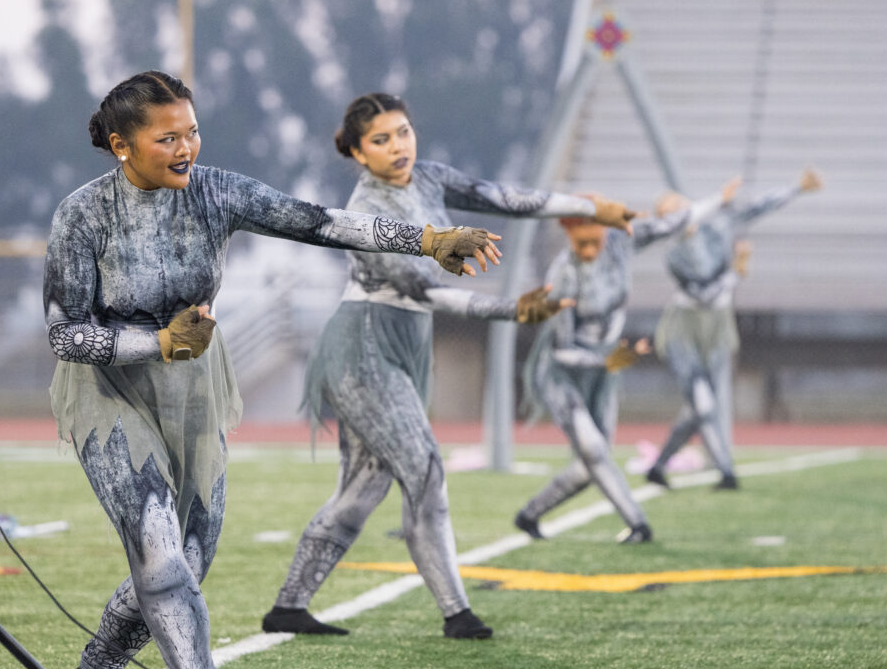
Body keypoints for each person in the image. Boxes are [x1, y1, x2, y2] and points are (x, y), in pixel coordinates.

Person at [44, 72, 498, 669]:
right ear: (121, 145)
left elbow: (319, 223)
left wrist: (429, 239)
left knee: (190, 558)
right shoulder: (81, 215)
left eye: (191, 131)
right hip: (107, 388)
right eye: (166, 136)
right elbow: (64, 333)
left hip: (193, 380)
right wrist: (156, 342)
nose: (186, 147)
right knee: (158, 545)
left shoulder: (218, 191)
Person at [261, 92, 635, 640]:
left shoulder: (429, 177)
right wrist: (511, 309)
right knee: (426, 472)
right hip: (364, 346)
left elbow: (496, 197)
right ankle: (457, 613)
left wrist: (583, 206)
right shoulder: (366, 212)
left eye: (404, 132)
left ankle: (288, 608)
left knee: (364, 488)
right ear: (359, 154)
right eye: (381, 140)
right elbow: (429, 293)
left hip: (400, 342)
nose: (398, 147)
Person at [513, 189, 726, 544]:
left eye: (594, 240)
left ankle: (530, 514)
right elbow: (562, 348)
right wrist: (605, 359)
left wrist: (719, 199)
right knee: (594, 451)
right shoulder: (563, 274)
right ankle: (638, 524)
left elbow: (672, 223)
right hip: (564, 375)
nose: (589, 251)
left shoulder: (621, 244)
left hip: (604, 371)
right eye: (580, 243)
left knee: (592, 462)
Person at [645, 168, 823, 491]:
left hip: (717, 324)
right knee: (702, 403)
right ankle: (726, 472)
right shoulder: (674, 255)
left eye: (680, 205)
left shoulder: (717, 226)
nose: (680, 212)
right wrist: (738, 271)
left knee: (704, 404)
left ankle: (660, 465)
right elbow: (706, 289)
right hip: (685, 329)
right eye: (670, 211)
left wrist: (796, 188)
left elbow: (756, 209)